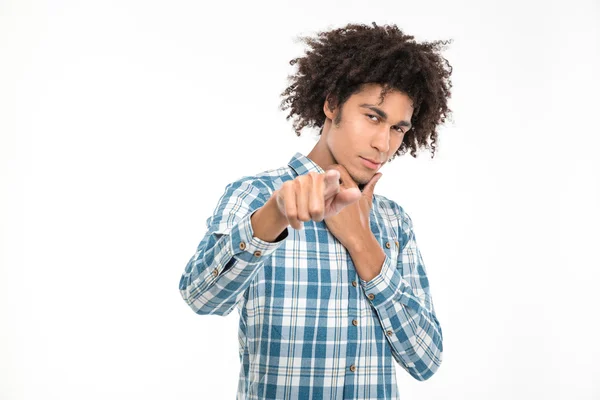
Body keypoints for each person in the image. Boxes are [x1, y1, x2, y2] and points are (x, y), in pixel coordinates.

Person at [178, 22, 453, 400]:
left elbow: (426, 360)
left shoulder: (394, 221)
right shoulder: (256, 195)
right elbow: (200, 297)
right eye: (372, 116)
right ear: (332, 104)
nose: (383, 144)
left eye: (397, 129)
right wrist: (271, 220)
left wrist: (362, 242)